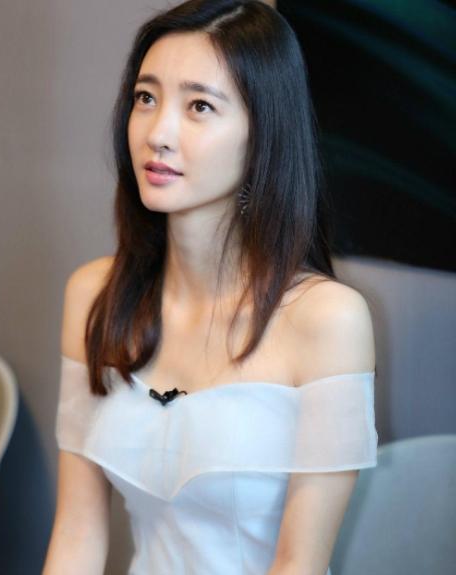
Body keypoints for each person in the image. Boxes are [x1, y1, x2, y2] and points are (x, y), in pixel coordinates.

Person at [43, 0, 378, 574]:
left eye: (199, 106)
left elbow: (298, 565)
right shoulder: (94, 295)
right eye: (146, 98)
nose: (158, 133)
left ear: (263, 136)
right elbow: (77, 534)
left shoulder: (328, 320)